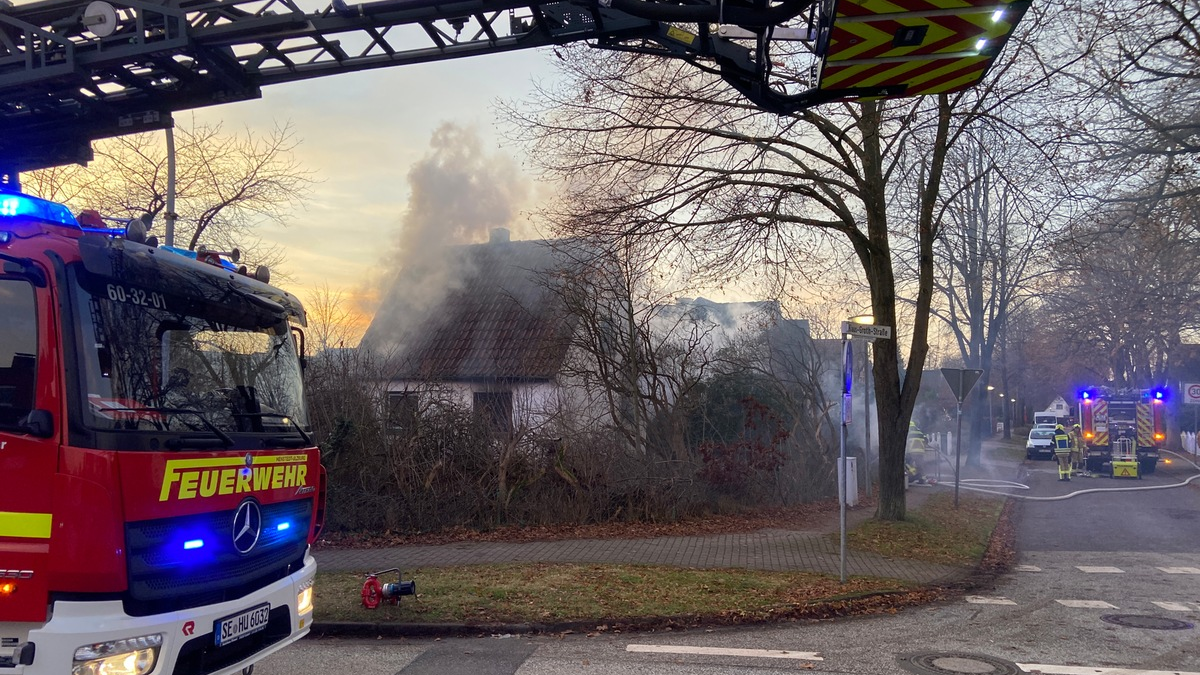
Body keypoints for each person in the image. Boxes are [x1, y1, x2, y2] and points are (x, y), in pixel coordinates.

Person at [905, 420, 928, 485]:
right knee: (920, 465)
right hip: (921, 451)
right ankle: (922, 479)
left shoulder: (908, 431)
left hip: (912, 451)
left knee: (907, 463)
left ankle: (914, 474)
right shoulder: (919, 431)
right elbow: (926, 440)